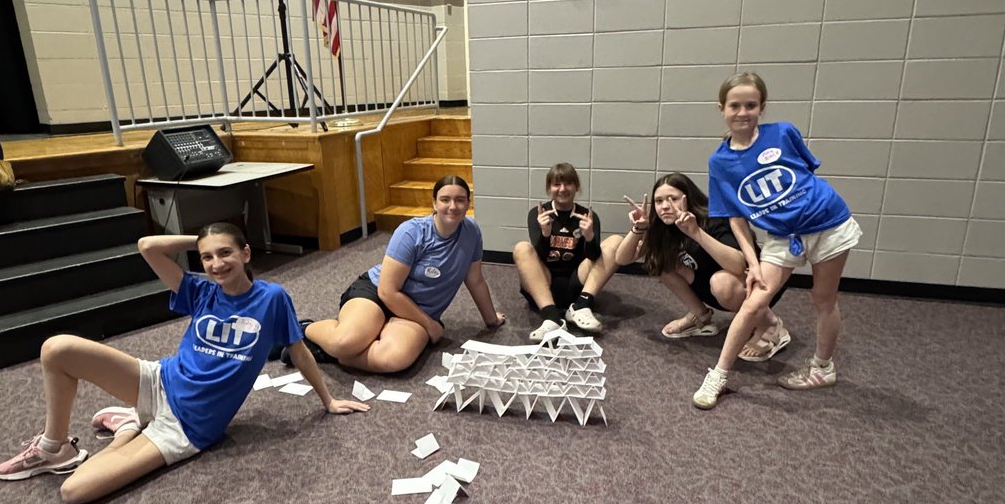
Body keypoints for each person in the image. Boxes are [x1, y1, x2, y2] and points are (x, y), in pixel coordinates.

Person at [0, 222, 370, 504]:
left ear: (246, 253)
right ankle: (54, 446)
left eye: (226, 253)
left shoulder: (272, 298)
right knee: (56, 348)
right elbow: (147, 246)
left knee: (74, 491)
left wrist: (328, 401)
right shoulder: (200, 289)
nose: (215, 263)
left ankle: (129, 426)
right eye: (207, 256)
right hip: (160, 381)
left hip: (187, 428)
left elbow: (300, 350)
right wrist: (203, 237)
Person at [693, 72, 862, 410]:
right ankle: (719, 375)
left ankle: (822, 368)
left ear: (762, 107)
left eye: (751, 105)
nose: (743, 112)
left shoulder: (783, 133)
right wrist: (753, 263)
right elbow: (735, 216)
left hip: (829, 222)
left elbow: (807, 175)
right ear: (721, 108)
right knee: (754, 301)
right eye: (735, 105)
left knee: (823, 299)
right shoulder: (720, 162)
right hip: (781, 237)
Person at [303, 175, 505, 373]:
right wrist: (430, 325)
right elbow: (387, 291)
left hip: (417, 311)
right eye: (445, 199)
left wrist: (491, 320)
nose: (452, 206)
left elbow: (475, 279)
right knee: (343, 342)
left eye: (460, 200)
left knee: (394, 359)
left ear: (468, 204)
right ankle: (304, 330)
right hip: (377, 293)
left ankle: (326, 353)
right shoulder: (411, 232)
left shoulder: (472, 232)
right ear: (434, 203)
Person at [614, 172, 788, 359]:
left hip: (756, 286)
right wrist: (638, 229)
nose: (665, 206)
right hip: (710, 283)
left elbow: (738, 265)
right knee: (661, 263)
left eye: (672, 199)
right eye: (659, 201)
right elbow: (622, 259)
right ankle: (701, 316)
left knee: (721, 282)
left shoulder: (712, 219)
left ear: (686, 199)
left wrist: (696, 233)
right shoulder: (663, 227)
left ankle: (769, 324)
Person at [512, 162, 623, 342]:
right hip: (544, 285)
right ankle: (551, 317)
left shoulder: (587, 215)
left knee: (616, 242)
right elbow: (538, 256)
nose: (562, 189)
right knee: (522, 248)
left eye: (568, 183)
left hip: (576, 284)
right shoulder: (538, 213)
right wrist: (546, 234)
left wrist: (589, 237)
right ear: (549, 188)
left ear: (576, 187)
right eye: (556, 184)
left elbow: (595, 258)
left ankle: (581, 306)